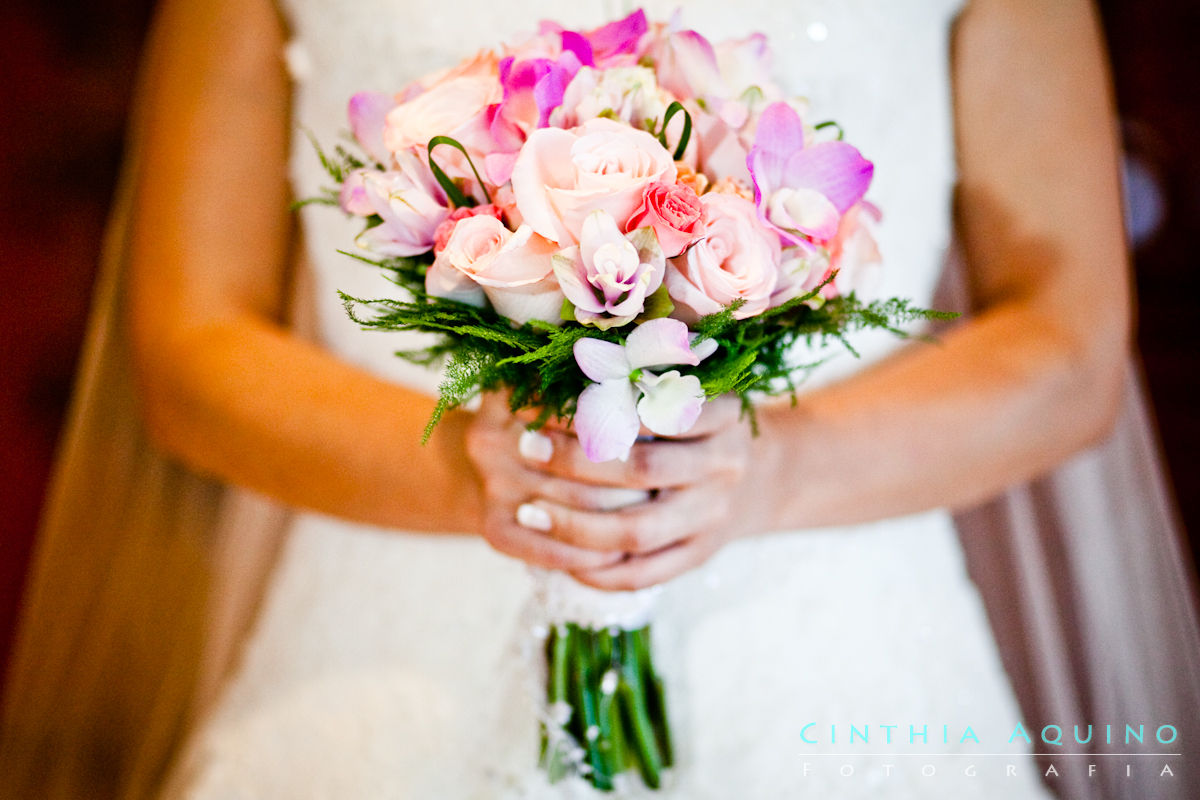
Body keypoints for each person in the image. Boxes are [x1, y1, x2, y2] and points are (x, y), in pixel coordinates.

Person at [2, 0, 1197, 798]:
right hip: (377, 657)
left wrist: (773, 466)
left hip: (841, 663)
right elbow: (188, 342)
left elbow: (1072, 339)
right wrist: (471, 468)